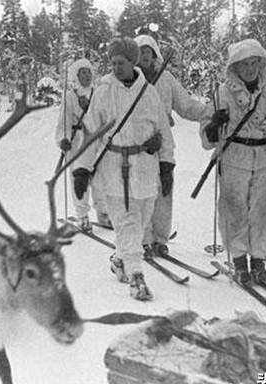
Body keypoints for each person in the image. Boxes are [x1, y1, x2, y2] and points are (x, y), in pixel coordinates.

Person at [73, 37, 174, 301]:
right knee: (127, 222)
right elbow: (91, 133)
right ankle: (136, 276)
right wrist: (82, 169)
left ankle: (120, 259)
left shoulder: (149, 93)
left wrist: (166, 164)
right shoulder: (104, 91)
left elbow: (162, 129)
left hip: (145, 169)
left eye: (121, 63)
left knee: (139, 224)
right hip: (114, 169)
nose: (116, 68)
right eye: (113, 63)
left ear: (133, 63)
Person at [199, 38, 266, 286]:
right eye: (245, 64)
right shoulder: (221, 94)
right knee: (234, 211)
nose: (250, 69)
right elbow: (206, 138)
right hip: (234, 158)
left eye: (255, 63)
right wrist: (213, 125)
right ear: (235, 66)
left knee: (262, 212)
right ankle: (239, 260)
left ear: (261, 64)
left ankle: (258, 261)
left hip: (263, 160)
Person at [135, 34, 209, 258]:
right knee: (141, 192)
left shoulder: (165, 79)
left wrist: (212, 112)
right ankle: (143, 239)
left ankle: (160, 238)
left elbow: (186, 105)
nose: (144, 56)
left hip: (163, 143)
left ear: (154, 53)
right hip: (136, 146)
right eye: (140, 52)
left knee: (164, 190)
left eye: (148, 52)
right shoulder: (130, 80)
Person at [55, 58, 109, 231]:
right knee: (79, 179)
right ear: (76, 76)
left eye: (88, 72)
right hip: (77, 141)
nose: (86, 75)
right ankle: (82, 215)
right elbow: (64, 120)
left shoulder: (98, 93)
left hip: (96, 140)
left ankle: (103, 212)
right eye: (82, 73)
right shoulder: (70, 97)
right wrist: (63, 138)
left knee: (100, 178)